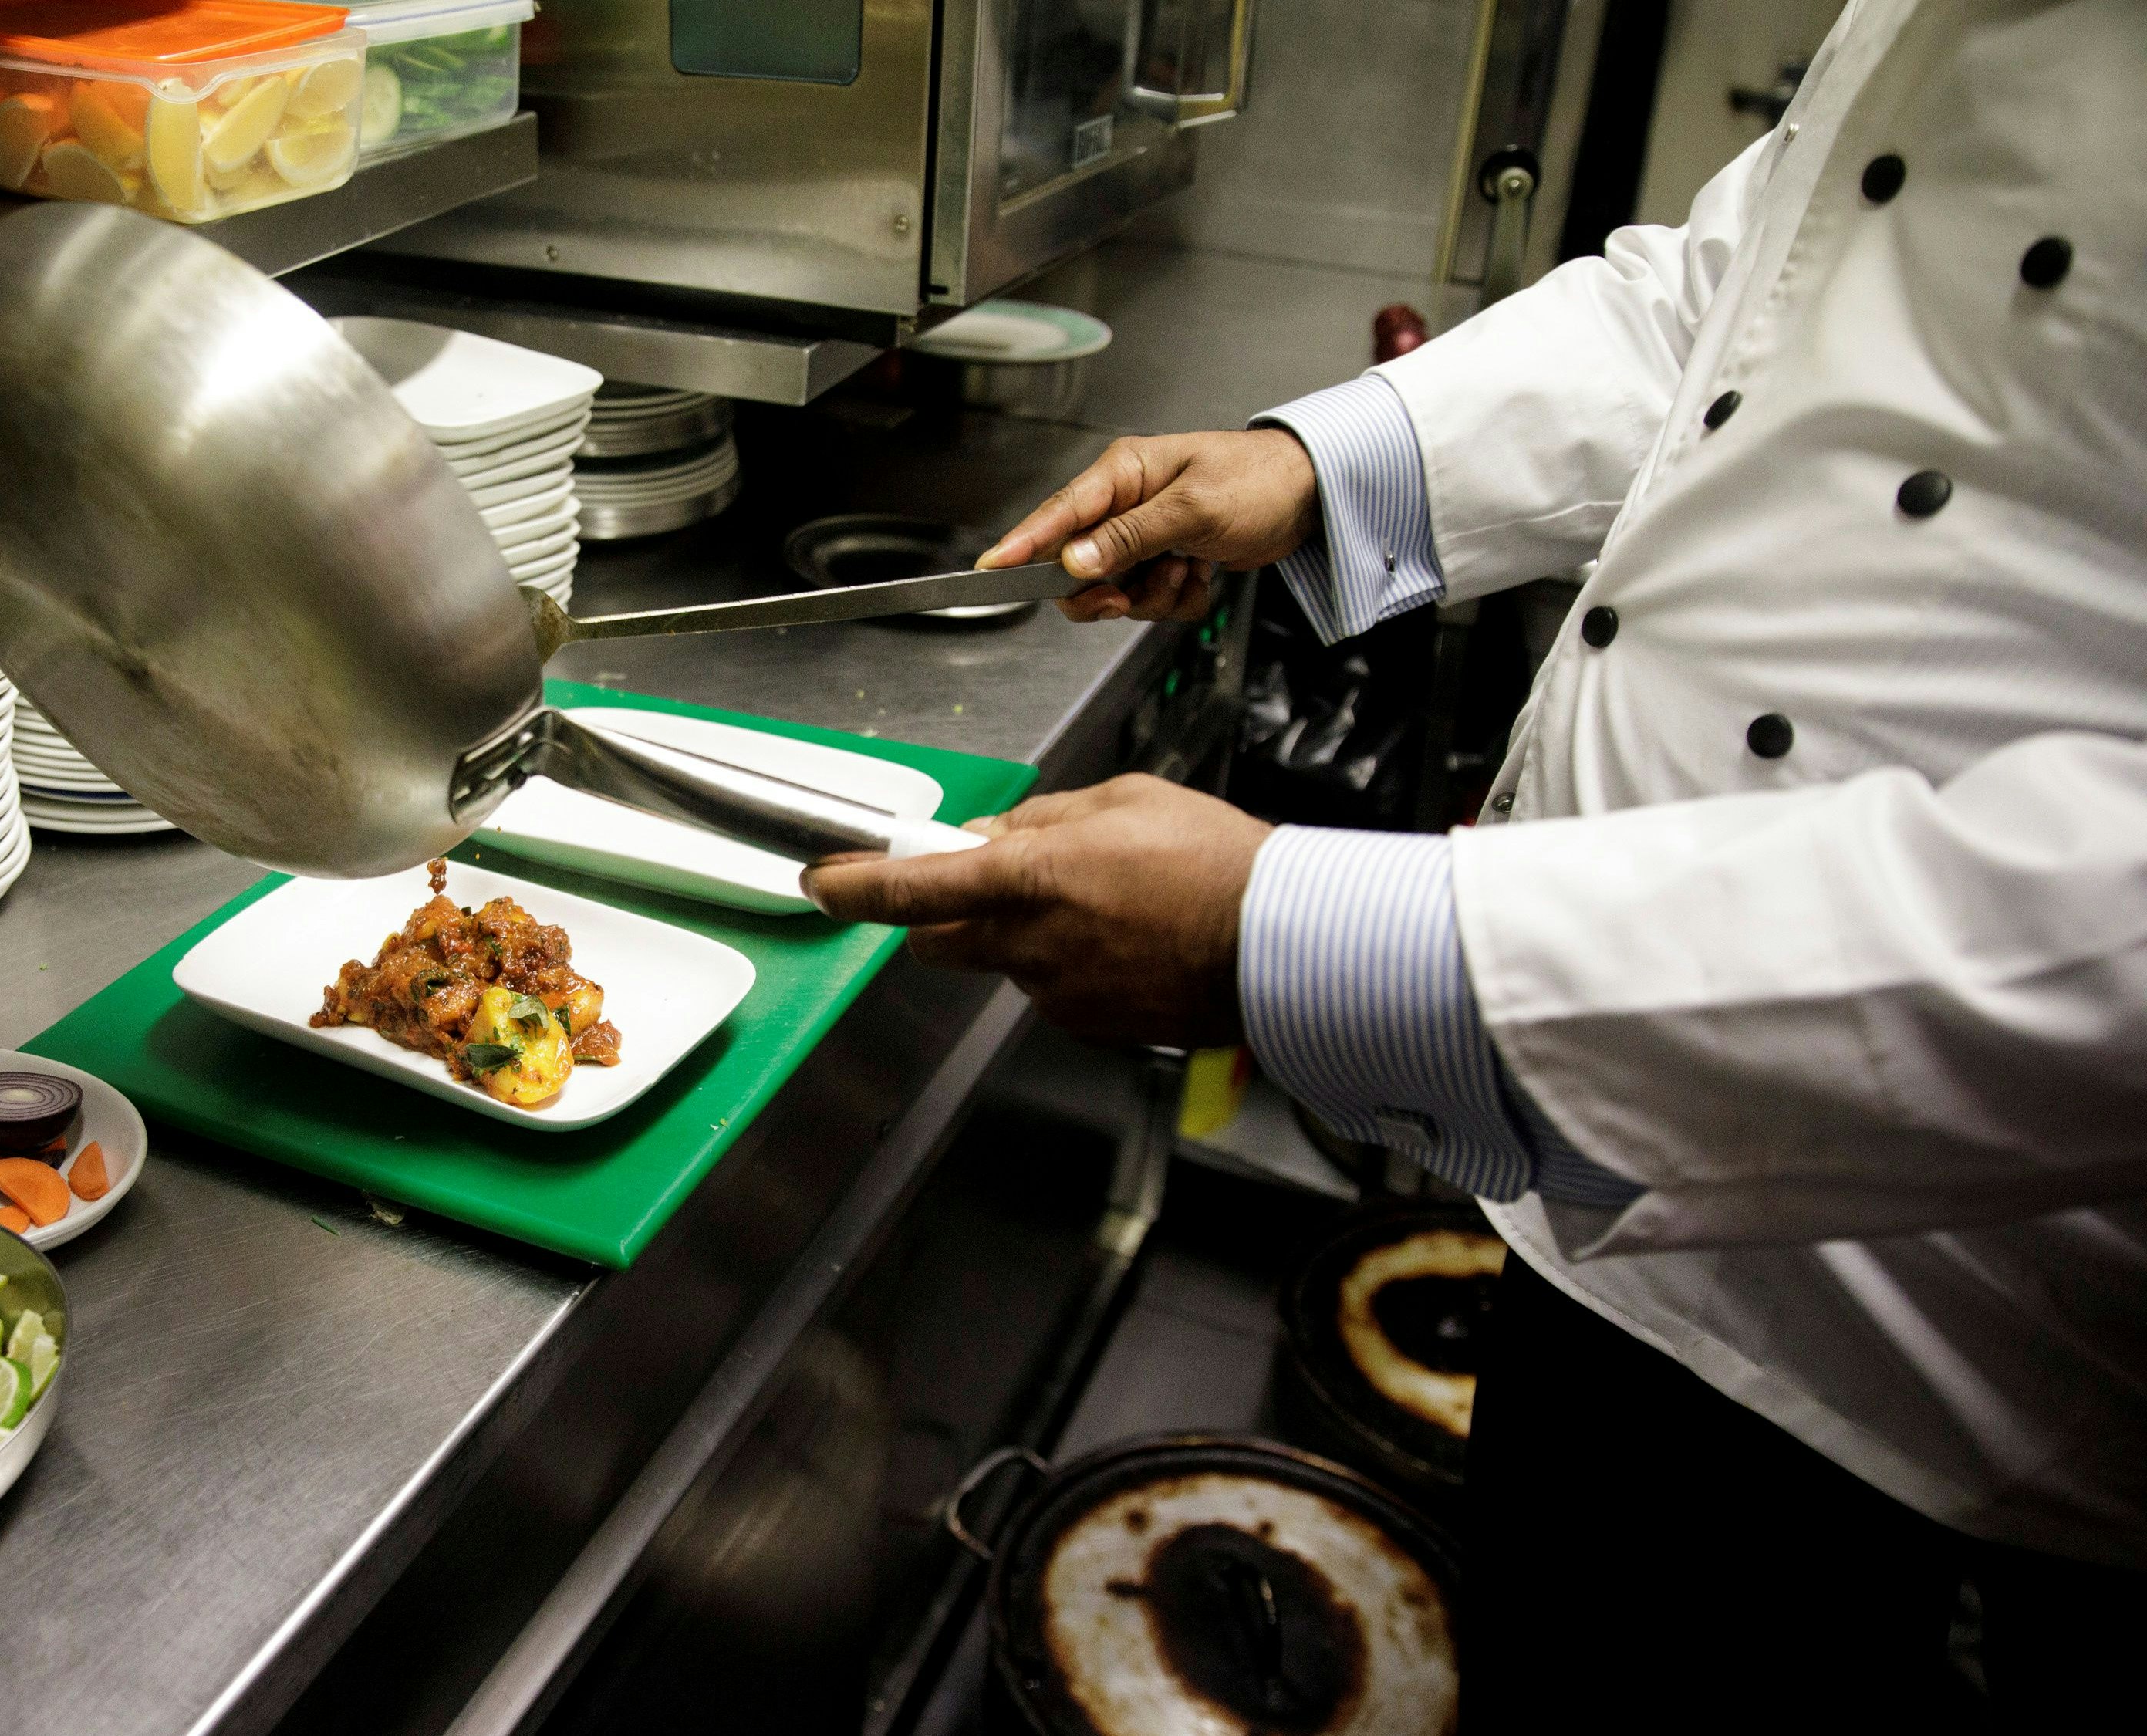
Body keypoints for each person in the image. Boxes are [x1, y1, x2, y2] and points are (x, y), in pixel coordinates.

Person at [802, 1, 2147, 1725]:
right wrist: (1316, 461)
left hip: (1997, 1360)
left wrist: (1306, 943)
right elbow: (1737, 297)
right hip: (1620, 1201)